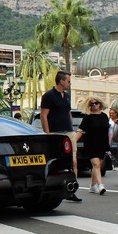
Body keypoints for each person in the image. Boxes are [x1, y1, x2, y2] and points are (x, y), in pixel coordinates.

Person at [40, 70, 82, 202]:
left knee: (73, 161)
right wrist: (48, 134)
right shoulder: (48, 96)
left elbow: (68, 112)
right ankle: (53, 189)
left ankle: (72, 190)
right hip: (55, 133)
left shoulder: (67, 96)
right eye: (68, 81)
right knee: (57, 162)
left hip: (68, 132)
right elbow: (43, 115)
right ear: (61, 81)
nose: (70, 83)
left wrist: (72, 129)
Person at [76, 97, 110, 195]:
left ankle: (92, 186)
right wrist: (71, 142)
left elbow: (107, 131)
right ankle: (100, 186)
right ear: (88, 106)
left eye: (96, 103)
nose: (94, 105)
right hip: (91, 144)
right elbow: (80, 131)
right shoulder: (87, 117)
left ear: (100, 104)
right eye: (91, 104)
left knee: (98, 166)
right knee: (96, 164)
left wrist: (109, 143)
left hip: (102, 144)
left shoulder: (104, 116)